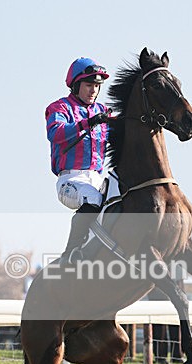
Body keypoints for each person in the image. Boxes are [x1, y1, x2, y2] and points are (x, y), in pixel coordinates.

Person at [45, 57, 111, 264]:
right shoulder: (59, 108)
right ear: (75, 86)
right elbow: (55, 133)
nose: (94, 90)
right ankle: (71, 253)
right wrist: (88, 122)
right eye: (89, 85)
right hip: (71, 181)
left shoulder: (103, 110)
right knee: (92, 199)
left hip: (99, 179)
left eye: (97, 86)